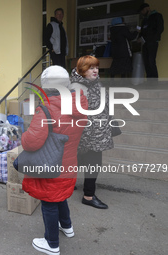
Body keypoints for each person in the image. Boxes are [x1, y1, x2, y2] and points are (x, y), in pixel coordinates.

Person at [22, 65, 88, 255]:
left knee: (49, 200)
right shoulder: (79, 104)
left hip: (51, 165)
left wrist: (24, 136)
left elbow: (32, 143)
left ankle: (52, 244)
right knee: (60, 196)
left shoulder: (47, 109)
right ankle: (67, 227)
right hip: (68, 162)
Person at [70, 55, 114, 210]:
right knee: (92, 162)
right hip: (86, 132)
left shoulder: (96, 83)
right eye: (91, 68)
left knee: (81, 160)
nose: (95, 70)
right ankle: (88, 196)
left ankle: (70, 185)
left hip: (98, 130)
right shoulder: (77, 87)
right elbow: (74, 112)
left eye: (96, 67)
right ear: (82, 70)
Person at [138, 3, 164, 79]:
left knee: (151, 61)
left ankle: (155, 83)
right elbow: (142, 31)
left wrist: (153, 39)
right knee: (146, 63)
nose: (142, 13)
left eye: (142, 11)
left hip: (152, 42)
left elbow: (160, 29)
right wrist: (140, 38)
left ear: (147, 9)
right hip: (144, 43)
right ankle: (149, 82)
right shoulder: (144, 20)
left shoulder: (157, 16)